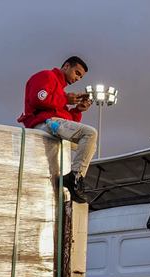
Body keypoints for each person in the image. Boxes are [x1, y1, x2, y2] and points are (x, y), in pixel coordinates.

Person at [18, 55, 98, 204]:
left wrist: (77, 110)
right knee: (90, 133)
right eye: (77, 73)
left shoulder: (60, 90)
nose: (78, 79)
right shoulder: (47, 75)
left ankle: (75, 178)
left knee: (90, 143)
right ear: (66, 66)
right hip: (45, 123)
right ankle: (74, 178)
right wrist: (65, 100)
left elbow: (67, 122)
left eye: (80, 77)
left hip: (54, 123)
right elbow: (38, 99)